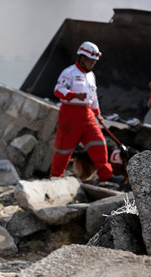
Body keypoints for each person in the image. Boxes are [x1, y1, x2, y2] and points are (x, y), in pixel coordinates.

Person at [51, 41, 122, 184]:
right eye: (91, 60)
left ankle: (106, 176)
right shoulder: (69, 72)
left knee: (99, 143)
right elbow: (58, 90)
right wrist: (74, 95)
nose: (93, 63)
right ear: (82, 58)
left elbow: (93, 96)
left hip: (88, 115)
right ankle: (55, 178)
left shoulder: (91, 76)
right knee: (64, 149)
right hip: (70, 116)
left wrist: (97, 113)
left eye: (95, 61)